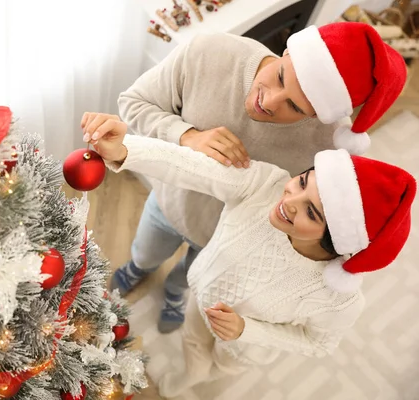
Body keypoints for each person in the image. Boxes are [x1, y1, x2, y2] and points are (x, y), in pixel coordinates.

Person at [96, 22, 407, 333]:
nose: (268, 102)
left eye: (295, 106)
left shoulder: (330, 145)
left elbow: (325, 222)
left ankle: (175, 292)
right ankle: (138, 268)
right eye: (281, 77)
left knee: (192, 274)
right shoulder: (208, 52)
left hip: (223, 238)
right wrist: (185, 136)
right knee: (146, 251)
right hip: (169, 203)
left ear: (317, 116)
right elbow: (132, 103)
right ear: (287, 50)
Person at [81, 112, 416, 397]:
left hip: (243, 346)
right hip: (201, 300)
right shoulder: (265, 185)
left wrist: (246, 331)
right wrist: (127, 149)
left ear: (337, 243)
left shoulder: (338, 299)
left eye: (311, 213)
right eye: (302, 182)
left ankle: (199, 377)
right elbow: (193, 168)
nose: (288, 201)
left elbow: (318, 343)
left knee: (220, 365)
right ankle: (187, 377)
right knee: (193, 346)